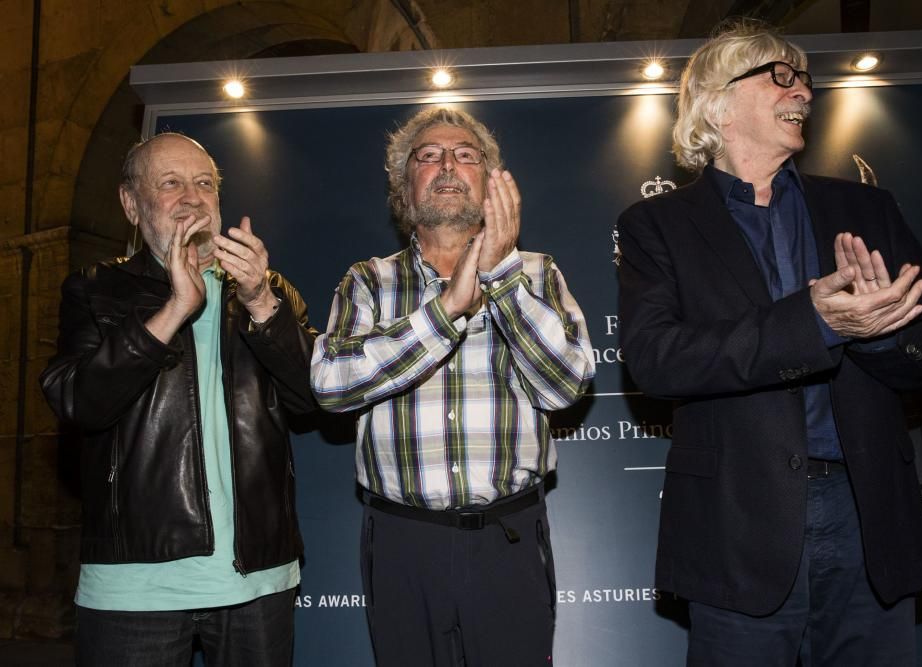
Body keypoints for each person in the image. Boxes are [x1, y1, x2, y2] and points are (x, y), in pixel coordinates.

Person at [616, 20, 922, 666]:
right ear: (718, 104)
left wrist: (876, 330)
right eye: (780, 75)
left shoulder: (868, 209)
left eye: (805, 77)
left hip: (869, 523)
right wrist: (818, 322)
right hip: (737, 527)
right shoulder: (656, 227)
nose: (803, 88)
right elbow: (658, 358)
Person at [311, 107, 595, 666]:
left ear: (490, 182)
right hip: (401, 541)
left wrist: (501, 278)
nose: (447, 165)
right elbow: (330, 385)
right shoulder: (367, 280)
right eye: (429, 156)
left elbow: (567, 386)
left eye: (466, 155)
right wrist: (445, 313)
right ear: (403, 185)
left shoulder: (537, 273)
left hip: (508, 538)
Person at [40, 132, 317, 667]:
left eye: (205, 184)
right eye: (170, 183)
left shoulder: (266, 291)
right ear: (131, 203)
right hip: (135, 586)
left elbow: (314, 398)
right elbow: (78, 403)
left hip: (257, 580)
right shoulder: (96, 290)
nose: (193, 197)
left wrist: (261, 301)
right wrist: (171, 311)